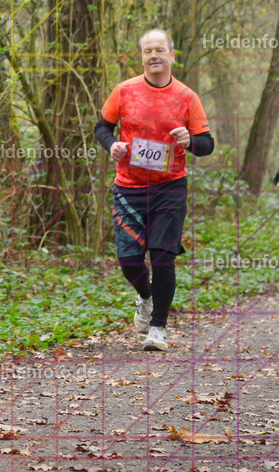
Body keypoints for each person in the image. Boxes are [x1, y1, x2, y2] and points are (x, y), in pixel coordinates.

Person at [94, 29, 214, 352]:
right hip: (129, 188)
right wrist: (112, 145)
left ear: (172, 55)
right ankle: (145, 298)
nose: (154, 56)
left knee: (162, 256)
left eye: (160, 50)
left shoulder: (187, 97)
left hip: (170, 188)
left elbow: (207, 143)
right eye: (148, 51)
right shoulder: (124, 91)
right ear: (142, 57)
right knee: (128, 260)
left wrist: (191, 142)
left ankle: (158, 327)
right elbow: (102, 127)